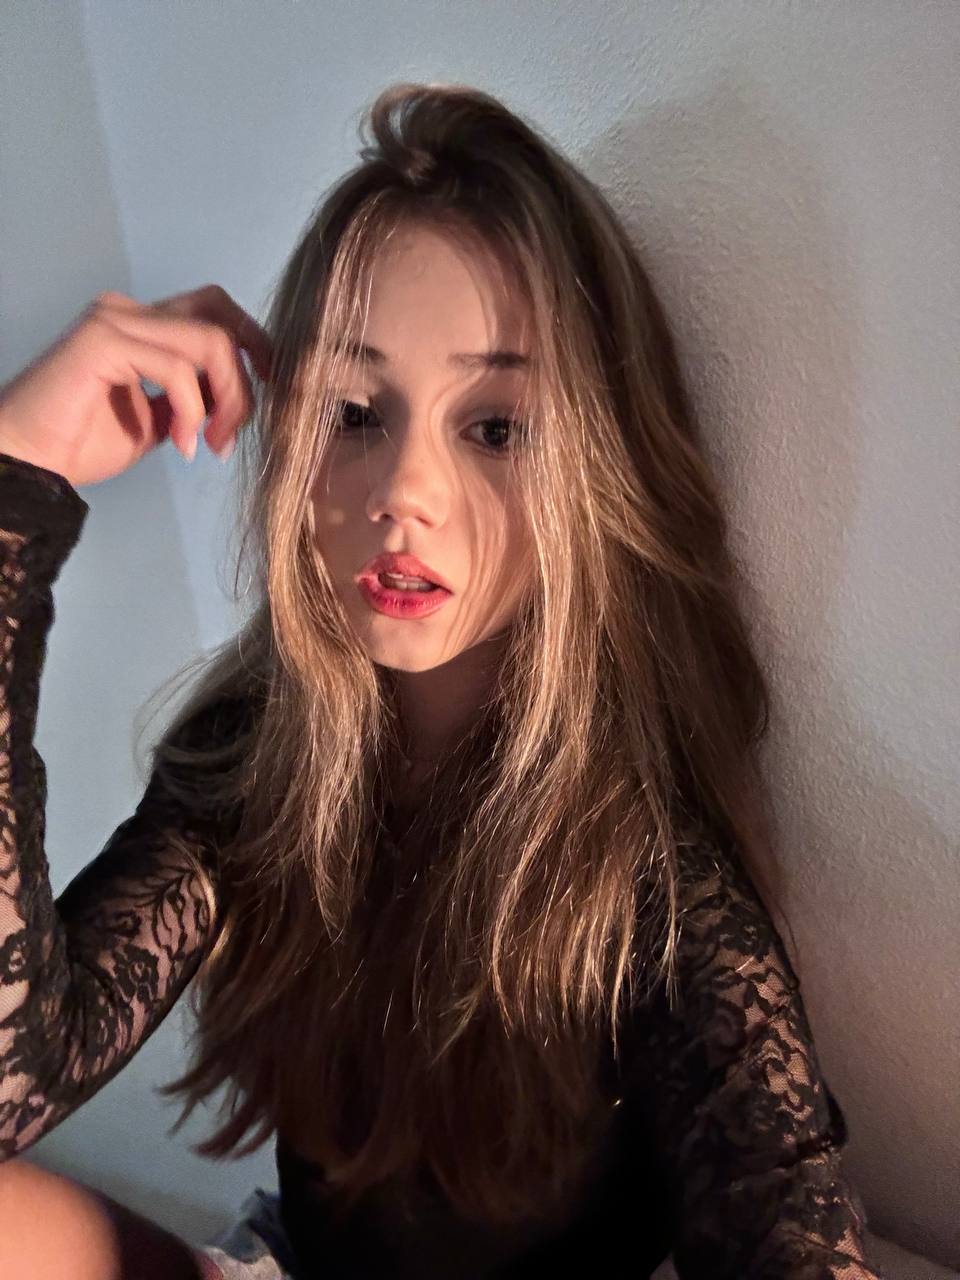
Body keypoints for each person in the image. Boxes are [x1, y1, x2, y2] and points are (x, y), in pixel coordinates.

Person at [0, 82, 883, 1279]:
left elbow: (788, 1216)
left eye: (495, 427)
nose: (403, 491)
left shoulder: (651, 882)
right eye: (357, 411)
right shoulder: (256, 762)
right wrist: (15, 482)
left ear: (596, 470)